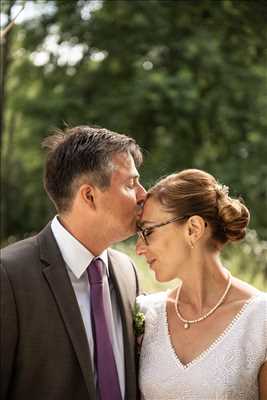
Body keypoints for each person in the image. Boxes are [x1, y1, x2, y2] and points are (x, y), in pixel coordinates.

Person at [1, 125, 146, 400]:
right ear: (89, 196)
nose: (143, 194)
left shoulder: (129, 273)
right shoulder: (8, 276)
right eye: (130, 184)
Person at [136, 169, 267, 400]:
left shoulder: (261, 320)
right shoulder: (147, 315)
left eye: (147, 231)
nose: (139, 248)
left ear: (193, 229)